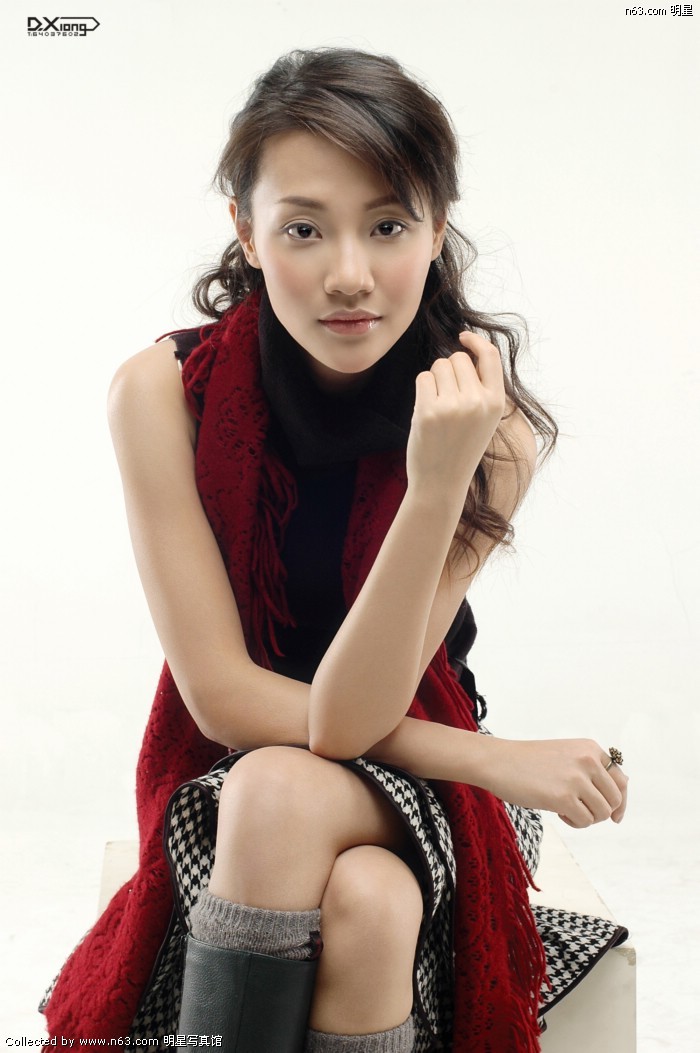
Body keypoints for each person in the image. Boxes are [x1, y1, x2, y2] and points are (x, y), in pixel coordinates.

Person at [40, 48, 629, 1052]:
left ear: (437, 229)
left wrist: (436, 483)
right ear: (247, 230)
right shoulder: (160, 396)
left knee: (287, 799)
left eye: (388, 225)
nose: (349, 275)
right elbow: (223, 700)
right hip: (255, 766)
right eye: (304, 228)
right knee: (362, 893)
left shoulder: (484, 432)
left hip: (423, 788)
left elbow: (354, 715)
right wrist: (494, 760)